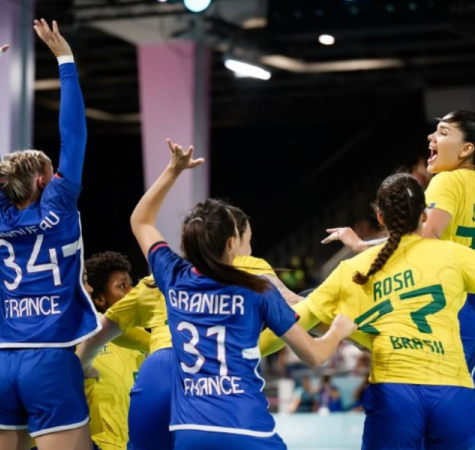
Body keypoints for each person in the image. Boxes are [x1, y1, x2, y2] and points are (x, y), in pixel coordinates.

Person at [323, 94, 475, 450]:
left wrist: (361, 247)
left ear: (466, 150)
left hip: (452, 299)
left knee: (446, 393)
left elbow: (423, 239)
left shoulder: (448, 183)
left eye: (443, 132)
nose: (432, 138)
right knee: (472, 389)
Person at [261, 173, 475, 448]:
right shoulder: (455, 255)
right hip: (453, 396)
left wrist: (243, 351)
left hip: (394, 397)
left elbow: (291, 322)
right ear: (424, 215)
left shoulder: (352, 269)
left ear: (380, 218)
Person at [121, 139, 355, 450]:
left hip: (190, 432)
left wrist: (173, 171)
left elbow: (140, 220)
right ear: (232, 243)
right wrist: (338, 330)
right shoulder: (258, 288)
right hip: (246, 430)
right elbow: (314, 355)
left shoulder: (171, 276)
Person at [76, 200, 305, 450]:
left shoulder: (160, 278)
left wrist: (86, 366)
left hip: (156, 372)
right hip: (210, 386)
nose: (249, 248)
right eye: (248, 239)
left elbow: (100, 332)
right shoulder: (249, 268)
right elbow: (296, 309)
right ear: (232, 241)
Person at [0, 19, 98, 450]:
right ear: (45, 181)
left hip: (1, 364)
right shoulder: (59, 207)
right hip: (51, 359)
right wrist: (65, 59)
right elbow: (74, 135)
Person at [82, 251, 147, 450]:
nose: (132, 291)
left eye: (131, 284)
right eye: (122, 286)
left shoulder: (144, 339)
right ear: (100, 299)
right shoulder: (83, 340)